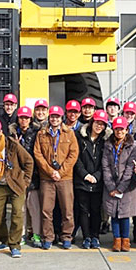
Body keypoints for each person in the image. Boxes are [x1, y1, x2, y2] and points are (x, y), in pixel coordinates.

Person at [0, 119, 34, 258]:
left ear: (1, 131)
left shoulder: (11, 144)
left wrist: (26, 181)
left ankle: (15, 245)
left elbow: (28, 161)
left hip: (15, 183)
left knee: (17, 213)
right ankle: (5, 240)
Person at [34, 105, 79, 250]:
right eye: (52, 116)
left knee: (67, 209)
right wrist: (50, 171)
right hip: (47, 178)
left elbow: (73, 154)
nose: (54, 119)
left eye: (57, 117)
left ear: (61, 118)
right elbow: (38, 154)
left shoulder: (69, 134)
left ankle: (66, 236)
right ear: (49, 117)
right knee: (46, 210)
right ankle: (48, 237)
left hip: (65, 178)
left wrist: (61, 172)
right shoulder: (41, 134)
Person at [102, 116, 136, 252]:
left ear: (126, 130)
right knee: (114, 214)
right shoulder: (107, 144)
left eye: (122, 129)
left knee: (125, 213)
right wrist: (111, 187)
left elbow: (130, 167)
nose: (119, 132)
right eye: (117, 129)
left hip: (127, 186)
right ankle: (116, 239)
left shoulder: (133, 146)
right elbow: (105, 166)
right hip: (111, 185)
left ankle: (125, 239)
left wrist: (121, 188)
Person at [74, 110, 110, 249]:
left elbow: (107, 161)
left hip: (98, 181)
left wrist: (97, 176)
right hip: (82, 180)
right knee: (83, 210)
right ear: (91, 122)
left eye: (102, 124)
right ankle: (86, 237)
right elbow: (75, 158)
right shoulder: (79, 136)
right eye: (97, 122)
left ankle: (95, 236)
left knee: (96, 210)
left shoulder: (106, 140)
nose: (99, 126)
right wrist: (84, 174)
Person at [9, 106, 42, 248]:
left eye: (27, 118)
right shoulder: (11, 134)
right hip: (17, 176)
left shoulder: (37, 133)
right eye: (22, 117)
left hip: (33, 175)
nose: (24, 120)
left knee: (34, 208)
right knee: (19, 209)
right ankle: (20, 234)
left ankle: (36, 234)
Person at [122, 101, 136, 243]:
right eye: (126, 112)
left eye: (132, 113)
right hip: (121, 170)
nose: (129, 115)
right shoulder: (118, 127)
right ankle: (121, 235)